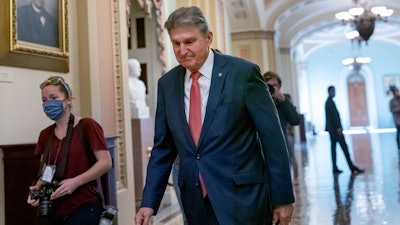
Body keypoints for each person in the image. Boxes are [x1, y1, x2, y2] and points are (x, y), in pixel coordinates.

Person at [135, 6, 294, 225]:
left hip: (242, 198)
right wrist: (148, 202)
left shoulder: (243, 74)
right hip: (194, 200)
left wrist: (283, 199)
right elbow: (163, 148)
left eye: (190, 42)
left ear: (208, 37)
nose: (182, 50)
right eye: (176, 43)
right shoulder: (168, 83)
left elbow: (272, 139)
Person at [27, 76, 112, 225]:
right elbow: (46, 170)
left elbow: (105, 162)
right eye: (44, 100)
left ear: (68, 100)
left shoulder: (87, 126)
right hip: (55, 208)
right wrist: (37, 188)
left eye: (53, 97)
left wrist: (76, 182)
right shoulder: (45, 134)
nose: (48, 103)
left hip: (84, 205)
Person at [263, 71, 300, 185]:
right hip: (263, 147)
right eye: (270, 86)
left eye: (276, 86)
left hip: (281, 146)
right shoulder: (259, 101)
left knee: (282, 182)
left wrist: (283, 99)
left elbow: (295, 120)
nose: (274, 88)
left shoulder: (283, 102)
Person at [325, 85, 364, 175]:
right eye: (332, 91)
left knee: (334, 149)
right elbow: (334, 118)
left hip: (332, 130)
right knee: (344, 149)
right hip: (335, 130)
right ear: (329, 91)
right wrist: (338, 128)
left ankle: (336, 167)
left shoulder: (329, 102)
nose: (334, 92)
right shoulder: (329, 102)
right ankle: (351, 167)